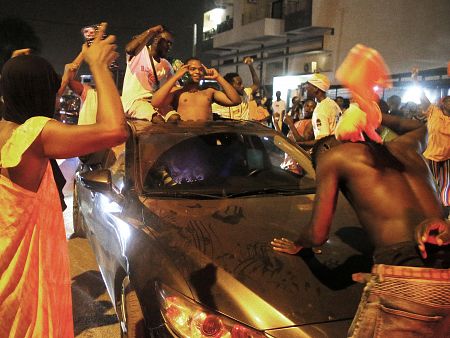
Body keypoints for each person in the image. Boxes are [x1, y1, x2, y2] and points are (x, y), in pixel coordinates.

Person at [271, 109, 450, 337]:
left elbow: (317, 235)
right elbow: (420, 127)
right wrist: (373, 112)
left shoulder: (332, 157)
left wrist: (299, 244)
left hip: (403, 276)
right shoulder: (405, 148)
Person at [0, 23, 128, 337]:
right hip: (24, 278)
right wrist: (99, 67)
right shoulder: (37, 134)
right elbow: (115, 130)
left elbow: (46, 91)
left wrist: (76, 62)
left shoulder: (7, 128)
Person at [151, 57, 241, 121]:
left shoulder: (209, 91)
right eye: (193, 69)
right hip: (185, 137)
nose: (197, 72)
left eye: (200, 69)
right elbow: (155, 103)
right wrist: (176, 76)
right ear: (184, 71)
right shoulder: (177, 91)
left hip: (206, 138)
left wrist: (218, 77)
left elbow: (235, 100)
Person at [121, 25, 177, 122]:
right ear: (156, 40)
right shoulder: (139, 52)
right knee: (157, 119)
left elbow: (174, 87)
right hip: (134, 102)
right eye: (167, 42)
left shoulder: (166, 65)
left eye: (171, 44)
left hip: (154, 103)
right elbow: (129, 49)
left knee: (175, 118)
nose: (169, 47)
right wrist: (151, 31)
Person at [305, 73, 342, 139]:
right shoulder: (332, 103)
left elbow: (323, 141)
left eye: (308, 85)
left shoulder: (320, 110)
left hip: (330, 148)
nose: (306, 88)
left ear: (315, 88)